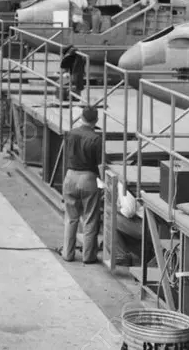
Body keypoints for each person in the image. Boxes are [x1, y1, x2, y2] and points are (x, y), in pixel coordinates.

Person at [62, 106, 103, 264]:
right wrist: (104, 183)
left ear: (81, 117)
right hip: (88, 179)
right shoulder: (96, 138)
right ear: (96, 120)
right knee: (90, 219)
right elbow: (100, 166)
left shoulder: (71, 133)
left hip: (70, 176)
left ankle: (67, 253)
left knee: (71, 218)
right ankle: (88, 256)